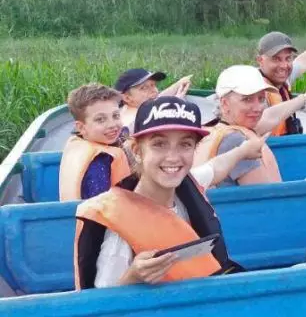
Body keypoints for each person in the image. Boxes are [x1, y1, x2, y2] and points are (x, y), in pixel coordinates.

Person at [74, 96, 253, 289]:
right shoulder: (118, 223)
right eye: (159, 144)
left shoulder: (187, 186)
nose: (173, 157)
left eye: (185, 144)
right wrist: (133, 276)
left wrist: (244, 150)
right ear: (136, 150)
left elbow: (215, 169)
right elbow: (101, 306)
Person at [194, 65, 306, 188]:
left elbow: (272, 116)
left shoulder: (215, 131)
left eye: (261, 99)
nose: (258, 108)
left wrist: (304, 98)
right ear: (225, 103)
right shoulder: (236, 141)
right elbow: (266, 198)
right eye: (247, 99)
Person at [59, 83, 131, 201]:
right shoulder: (99, 161)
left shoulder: (80, 144)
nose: (112, 125)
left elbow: (123, 132)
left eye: (116, 116)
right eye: (100, 119)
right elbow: (100, 209)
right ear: (81, 127)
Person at [256, 30, 306, 136]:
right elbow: (258, 126)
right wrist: (304, 99)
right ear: (260, 60)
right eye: (276, 59)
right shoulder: (252, 89)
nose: (284, 66)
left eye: (288, 58)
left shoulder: (281, 78)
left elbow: (302, 61)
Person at [114, 68, 193, 131]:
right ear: (127, 98)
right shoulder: (129, 119)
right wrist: (176, 103)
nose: (154, 90)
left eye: (153, 85)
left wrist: (179, 83)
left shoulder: (138, 105)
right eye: (144, 88)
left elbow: (159, 97)